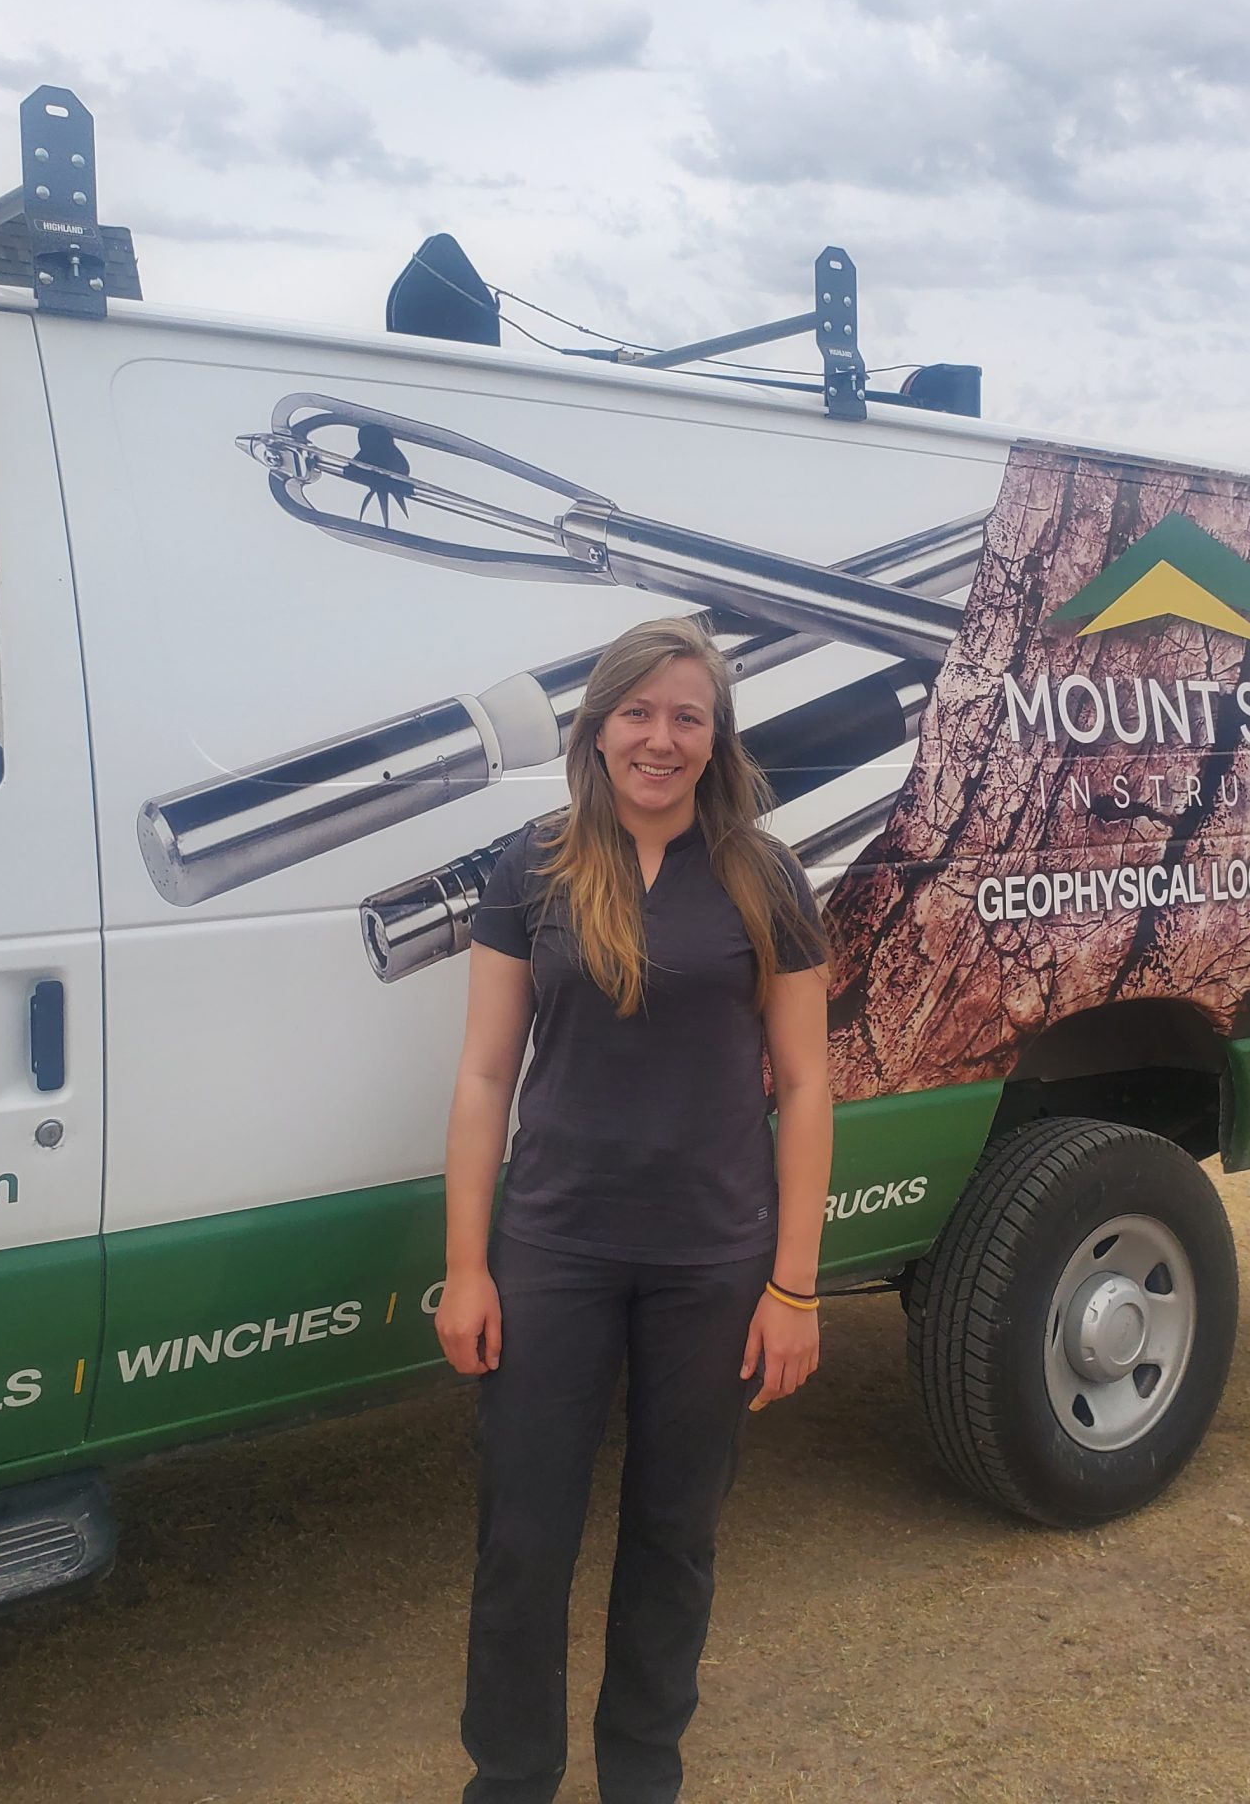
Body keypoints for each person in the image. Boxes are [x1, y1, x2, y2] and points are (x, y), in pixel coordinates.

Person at [436, 615, 834, 1804]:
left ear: (715, 740)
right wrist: (467, 1266)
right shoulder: (533, 866)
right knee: (523, 1541)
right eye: (638, 713)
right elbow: (482, 1076)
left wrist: (795, 1285)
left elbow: (808, 1084)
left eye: (687, 717)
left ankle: (641, 1775)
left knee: (674, 1540)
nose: (660, 739)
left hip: (712, 1261)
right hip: (552, 1247)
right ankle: (509, 1780)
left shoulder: (765, 877)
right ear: (597, 726)